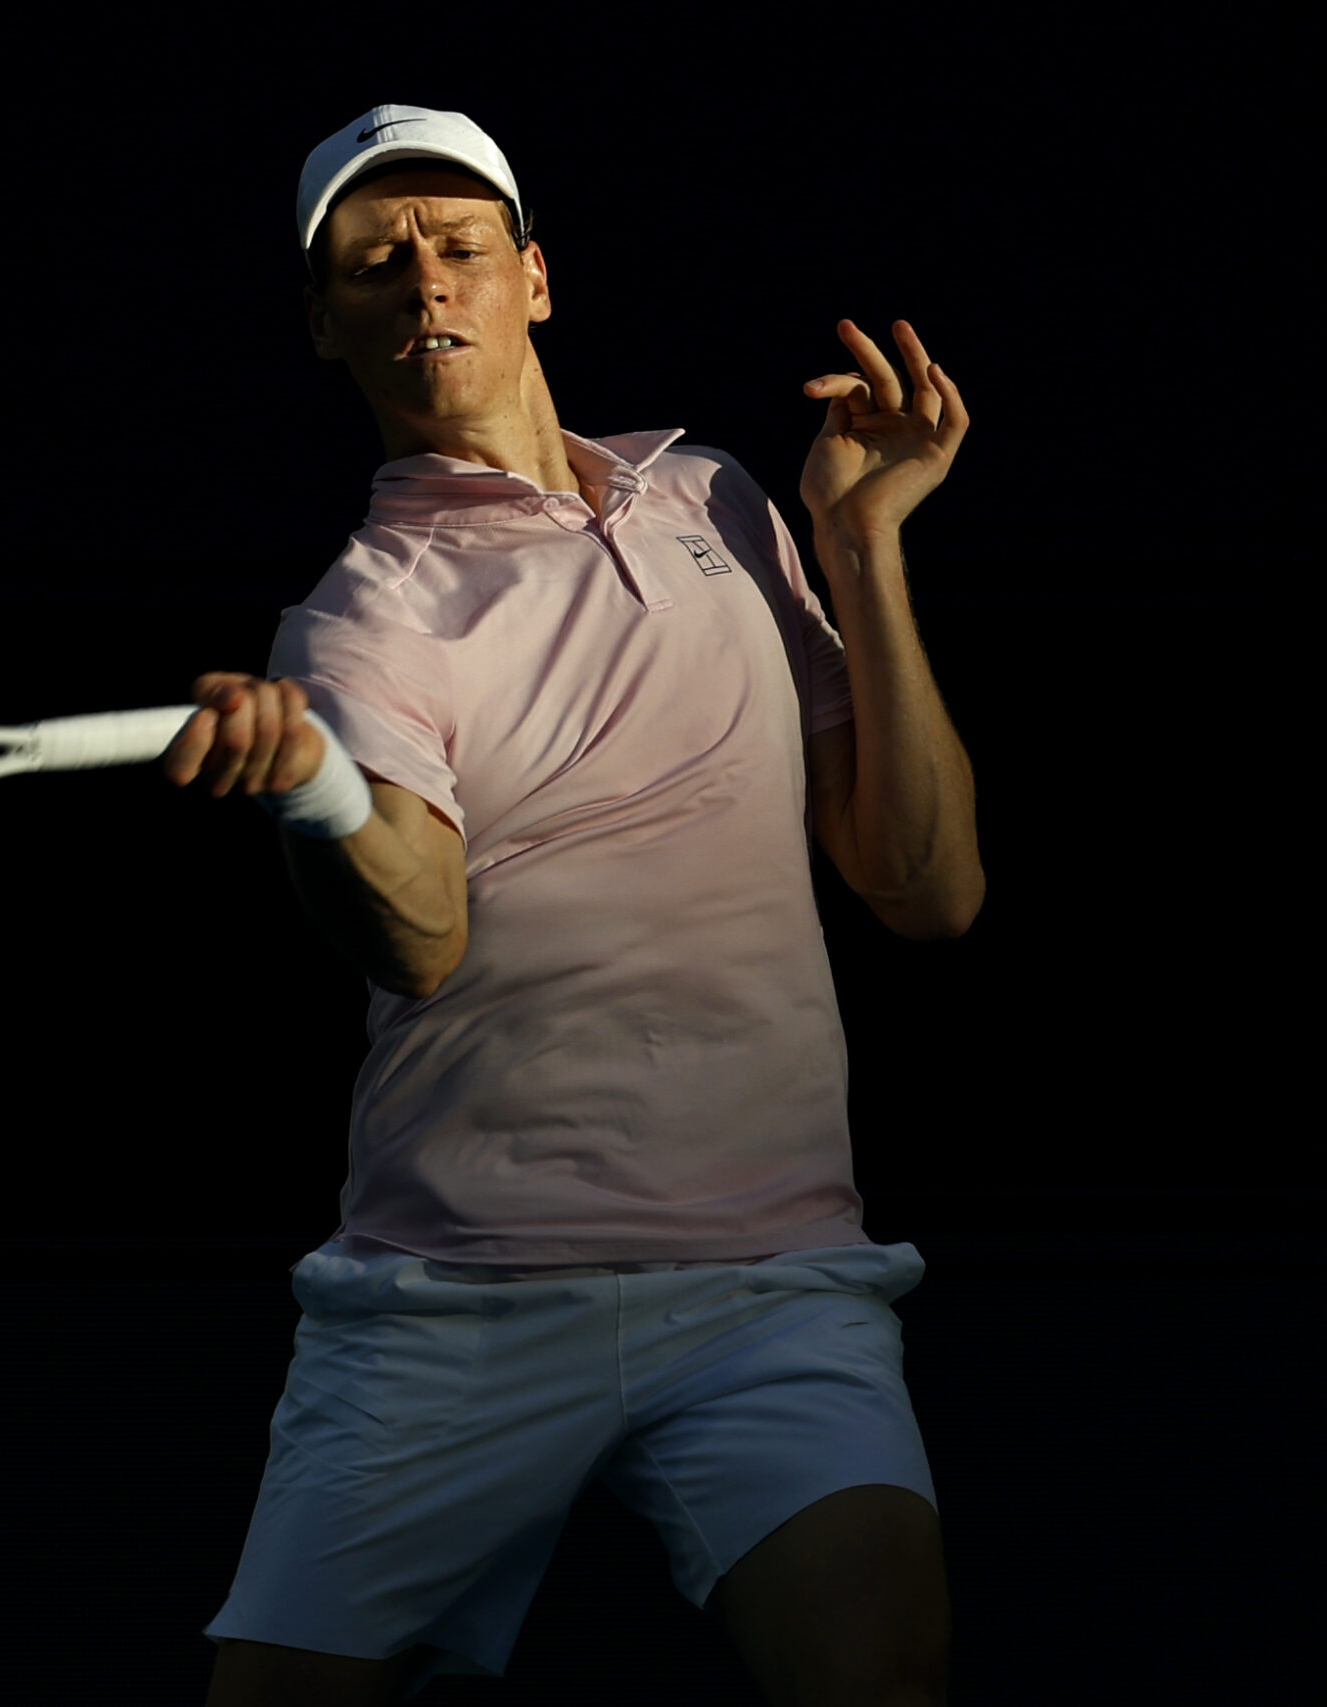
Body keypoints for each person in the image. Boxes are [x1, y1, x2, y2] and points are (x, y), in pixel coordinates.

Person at [163, 104, 980, 1707]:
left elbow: (926, 886)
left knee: (884, 1682)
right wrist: (317, 789)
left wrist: (858, 544)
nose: (424, 283)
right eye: (374, 264)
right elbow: (421, 934)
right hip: (454, 1300)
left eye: (458, 246)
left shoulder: (721, 501)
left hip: (767, 1284)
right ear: (325, 322)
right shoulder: (362, 620)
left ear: (532, 278)